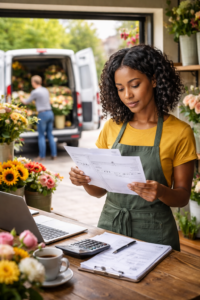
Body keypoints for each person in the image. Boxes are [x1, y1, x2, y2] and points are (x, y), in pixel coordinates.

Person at [69, 45, 197, 251]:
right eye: (120, 88)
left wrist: (161, 191)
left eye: (134, 85)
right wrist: (84, 180)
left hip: (156, 231)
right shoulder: (112, 127)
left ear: (154, 80)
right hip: (111, 225)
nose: (127, 94)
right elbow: (98, 191)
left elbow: (182, 197)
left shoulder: (180, 132)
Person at [20, 75, 57, 161]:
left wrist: (21, 97)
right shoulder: (45, 90)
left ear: (33, 82)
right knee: (50, 134)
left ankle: (42, 156)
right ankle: (54, 155)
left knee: (41, 136)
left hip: (42, 114)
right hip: (50, 113)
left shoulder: (35, 92)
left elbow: (26, 102)